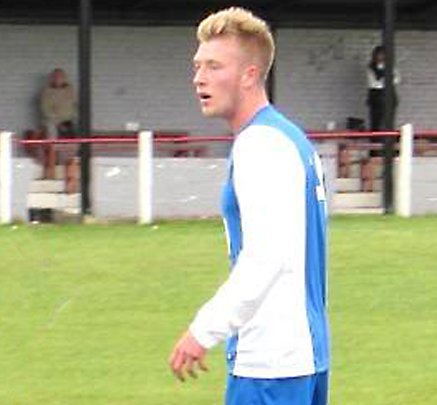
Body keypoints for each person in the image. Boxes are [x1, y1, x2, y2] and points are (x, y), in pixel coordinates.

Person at [169, 7, 330, 405]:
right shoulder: (289, 137)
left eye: (213, 66)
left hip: (270, 363)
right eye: (197, 66)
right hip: (302, 354)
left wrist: (202, 331)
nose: (199, 78)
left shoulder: (261, 145)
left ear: (249, 75)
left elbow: (266, 257)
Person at [366, 45, 401, 132]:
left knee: (388, 122)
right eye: (379, 54)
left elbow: (397, 79)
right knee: (376, 121)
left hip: (390, 98)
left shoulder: (391, 66)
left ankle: (388, 140)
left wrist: (385, 82)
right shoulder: (371, 67)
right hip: (376, 98)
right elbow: (373, 84)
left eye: (383, 54)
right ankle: (375, 141)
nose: (381, 56)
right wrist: (387, 82)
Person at [40, 68, 77, 139]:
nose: (58, 79)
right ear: (52, 78)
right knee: (51, 129)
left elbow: (75, 105)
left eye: (60, 76)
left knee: (81, 126)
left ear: (64, 78)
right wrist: (58, 123)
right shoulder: (46, 92)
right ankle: (53, 148)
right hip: (53, 120)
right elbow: (45, 109)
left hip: (69, 119)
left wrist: (71, 119)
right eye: (55, 77)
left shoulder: (70, 90)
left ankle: (78, 147)